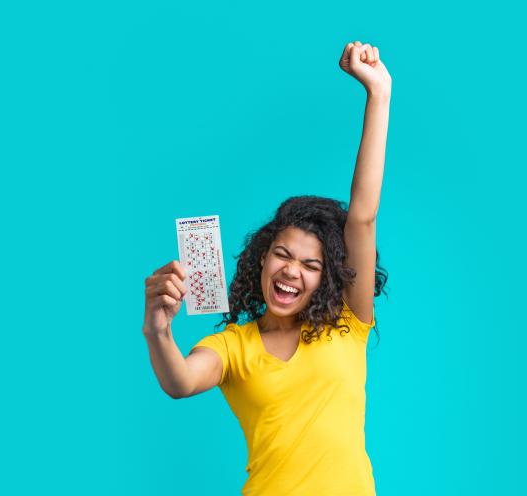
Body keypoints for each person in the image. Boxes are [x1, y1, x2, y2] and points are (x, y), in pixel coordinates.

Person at [143, 40, 392, 495]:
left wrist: (379, 93)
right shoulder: (234, 347)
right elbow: (180, 381)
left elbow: (362, 216)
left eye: (310, 264)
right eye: (282, 255)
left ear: (328, 277)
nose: (292, 270)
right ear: (262, 258)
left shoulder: (348, 324)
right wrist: (158, 330)